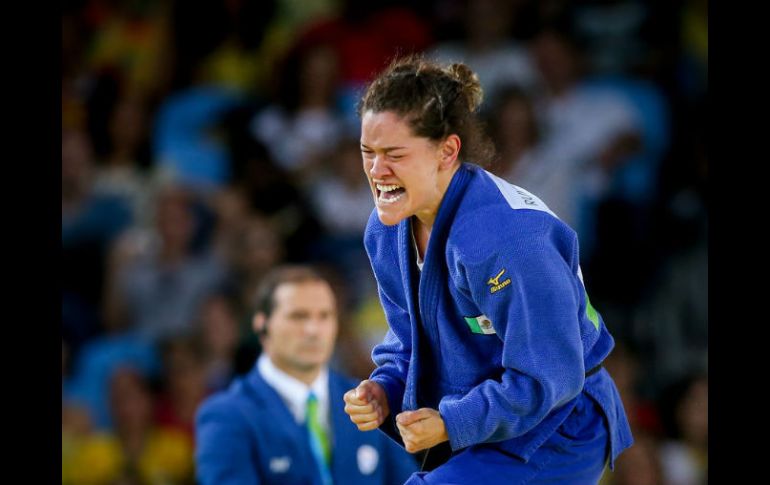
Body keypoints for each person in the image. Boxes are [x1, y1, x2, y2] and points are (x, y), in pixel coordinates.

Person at [342, 55, 633, 483]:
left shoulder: (508, 240)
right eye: (368, 152)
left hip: (559, 423)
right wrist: (384, 387)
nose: (377, 171)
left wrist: (451, 423)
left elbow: (548, 375)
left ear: (447, 151)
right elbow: (409, 341)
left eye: (395, 155)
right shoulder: (386, 230)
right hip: (482, 419)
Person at [195, 265, 418, 484]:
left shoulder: (370, 399)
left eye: (324, 316)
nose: (313, 329)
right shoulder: (226, 414)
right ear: (262, 324)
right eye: (298, 316)